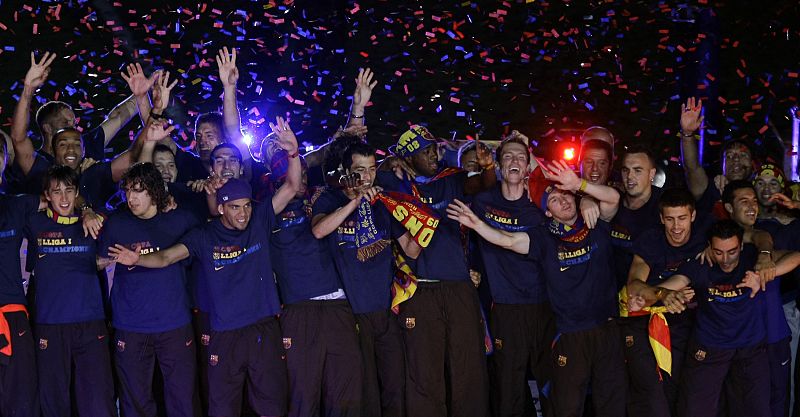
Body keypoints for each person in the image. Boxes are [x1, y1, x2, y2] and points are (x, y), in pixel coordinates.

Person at [109, 117, 300, 417]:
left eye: (246, 205)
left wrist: (293, 153)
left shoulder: (259, 219)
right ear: (221, 206)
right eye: (235, 207)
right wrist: (138, 259)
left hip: (262, 326)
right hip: (221, 329)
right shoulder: (201, 230)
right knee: (221, 406)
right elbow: (167, 256)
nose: (242, 212)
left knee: (271, 404)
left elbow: (292, 185)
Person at [447, 158, 624, 417]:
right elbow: (508, 240)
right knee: (566, 406)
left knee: (612, 403)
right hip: (570, 333)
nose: (562, 201)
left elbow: (613, 199)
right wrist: (477, 224)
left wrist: (579, 184)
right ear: (548, 212)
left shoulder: (593, 219)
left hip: (607, 328)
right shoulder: (544, 237)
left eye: (565, 195)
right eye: (554, 200)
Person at [377, 124, 496, 417]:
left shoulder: (450, 180)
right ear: (407, 158)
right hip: (418, 289)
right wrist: (388, 162)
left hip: (458, 286)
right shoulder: (395, 186)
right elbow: (372, 173)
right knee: (423, 373)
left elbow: (480, 184)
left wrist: (488, 166)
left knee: (467, 368)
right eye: (425, 151)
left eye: (434, 149)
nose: (433, 156)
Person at [632, 220, 800, 417]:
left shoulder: (752, 258)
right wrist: (660, 295)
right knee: (695, 409)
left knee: (756, 410)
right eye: (719, 252)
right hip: (710, 347)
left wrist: (766, 272)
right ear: (709, 248)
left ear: (742, 246)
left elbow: (795, 256)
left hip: (750, 348)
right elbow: (666, 287)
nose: (726, 259)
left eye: (732, 252)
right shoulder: (700, 265)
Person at [311, 142, 421, 417]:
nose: (368, 177)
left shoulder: (383, 202)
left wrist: (417, 217)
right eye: (360, 170)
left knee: (395, 384)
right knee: (363, 390)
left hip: (385, 309)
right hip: (350, 313)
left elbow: (411, 248)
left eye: (372, 169)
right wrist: (355, 201)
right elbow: (319, 231)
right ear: (347, 171)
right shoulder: (330, 198)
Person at [99, 163, 202, 417]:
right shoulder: (116, 224)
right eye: (128, 191)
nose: (131, 198)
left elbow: (189, 259)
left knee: (183, 398)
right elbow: (98, 261)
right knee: (135, 399)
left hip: (174, 323)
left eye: (138, 191)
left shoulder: (182, 219)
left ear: (155, 191)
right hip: (131, 325)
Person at [469, 136, 555, 417]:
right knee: (508, 388)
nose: (514, 161)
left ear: (529, 166)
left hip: (542, 306)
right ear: (498, 163)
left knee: (550, 384)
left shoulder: (541, 208)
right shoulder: (482, 201)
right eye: (508, 156)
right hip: (504, 308)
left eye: (521, 157)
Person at [25, 165, 115, 416]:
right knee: (53, 400)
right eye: (57, 192)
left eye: (69, 191)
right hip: (50, 324)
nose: (63, 198)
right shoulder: (33, 223)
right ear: (47, 195)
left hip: (91, 323)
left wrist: (88, 211)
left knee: (98, 400)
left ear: (77, 194)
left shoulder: (97, 222)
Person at [7, 52, 149, 195]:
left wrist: (142, 95)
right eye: (65, 122)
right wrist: (28, 89)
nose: (72, 126)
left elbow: (119, 117)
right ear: (47, 128)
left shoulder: (86, 145)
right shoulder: (39, 165)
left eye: (73, 122)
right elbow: (18, 137)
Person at [624, 188, 712, 415]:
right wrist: (663, 295)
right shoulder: (650, 239)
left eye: (682, 218)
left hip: (690, 328)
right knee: (653, 397)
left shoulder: (706, 237)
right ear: (661, 218)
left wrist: (763, 253)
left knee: (686, 396)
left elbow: (749, 234)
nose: (676, 227)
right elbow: (634, 285)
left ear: (692, 216)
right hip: (646, 325)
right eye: (670, 219)